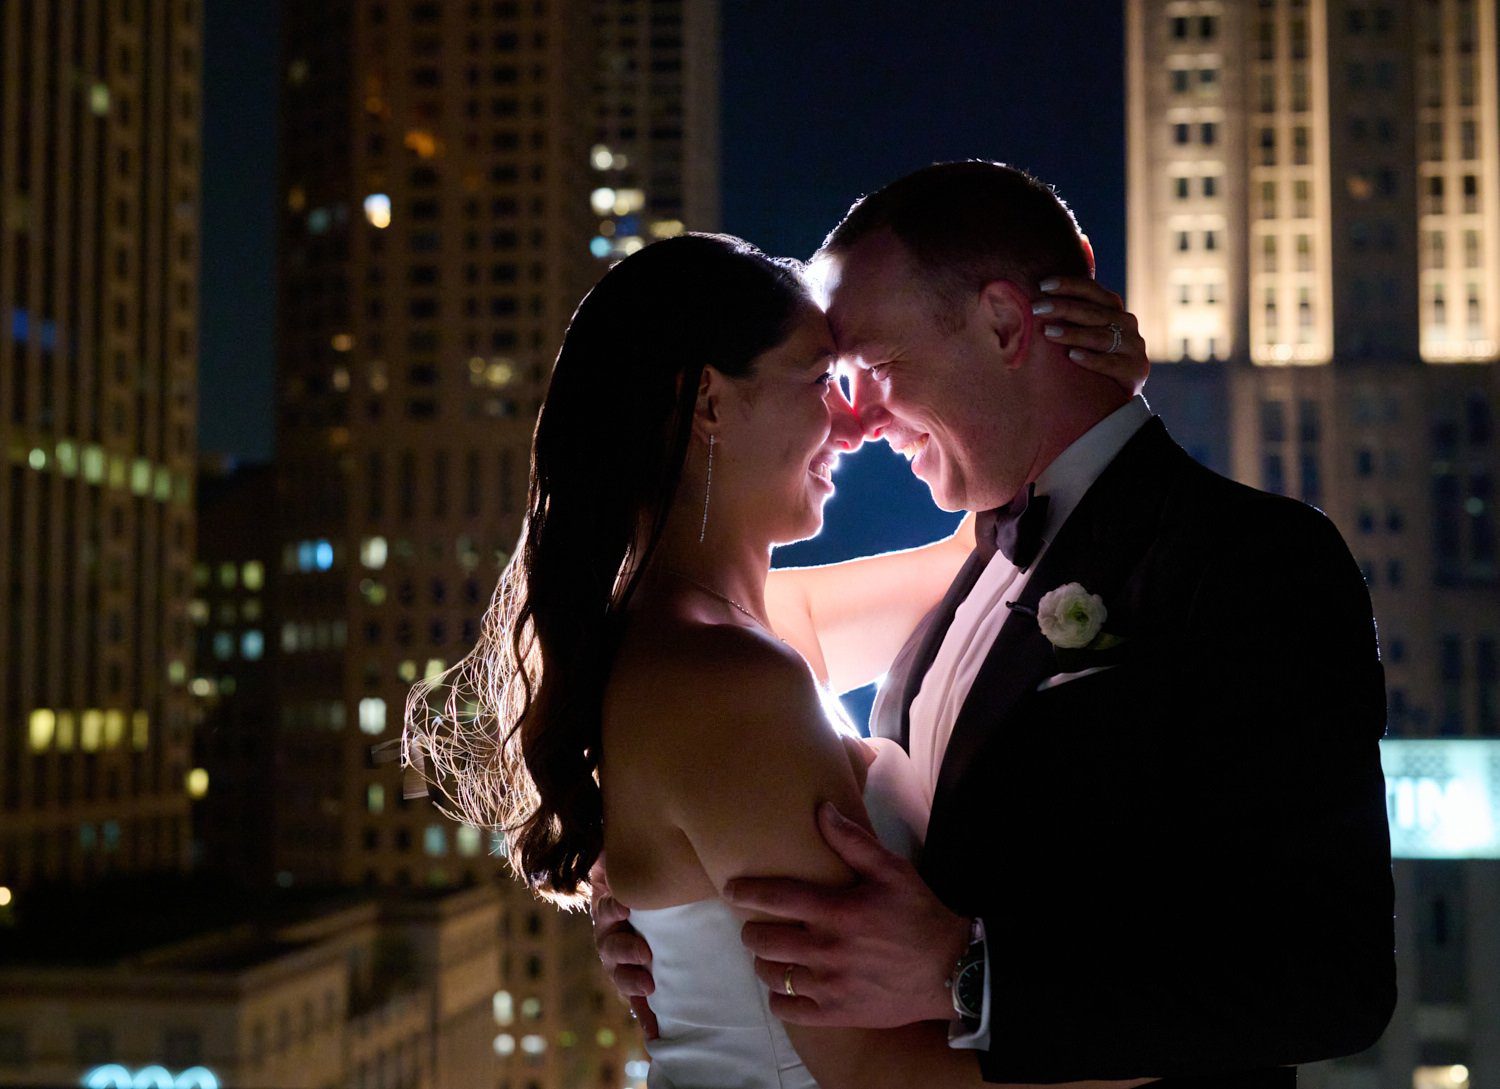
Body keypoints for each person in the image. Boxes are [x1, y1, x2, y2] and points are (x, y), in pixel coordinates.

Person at [595, 163, 1396, 1086]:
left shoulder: (1251, 562)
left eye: (872, 370)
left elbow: (1332, 979)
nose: (851, 421)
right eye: (828, 378)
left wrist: (969, 975)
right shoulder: (951, 581)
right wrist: (683, 921)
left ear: (1007, 325)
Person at [404, 227, 1151, 1089]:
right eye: (819, 383)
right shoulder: (724, 678)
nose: (853, 423)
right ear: (710, 404)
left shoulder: (752, 628)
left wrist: (1088, 388)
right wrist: (1163, 1044)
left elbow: (982, 551)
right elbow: (877, 1071)